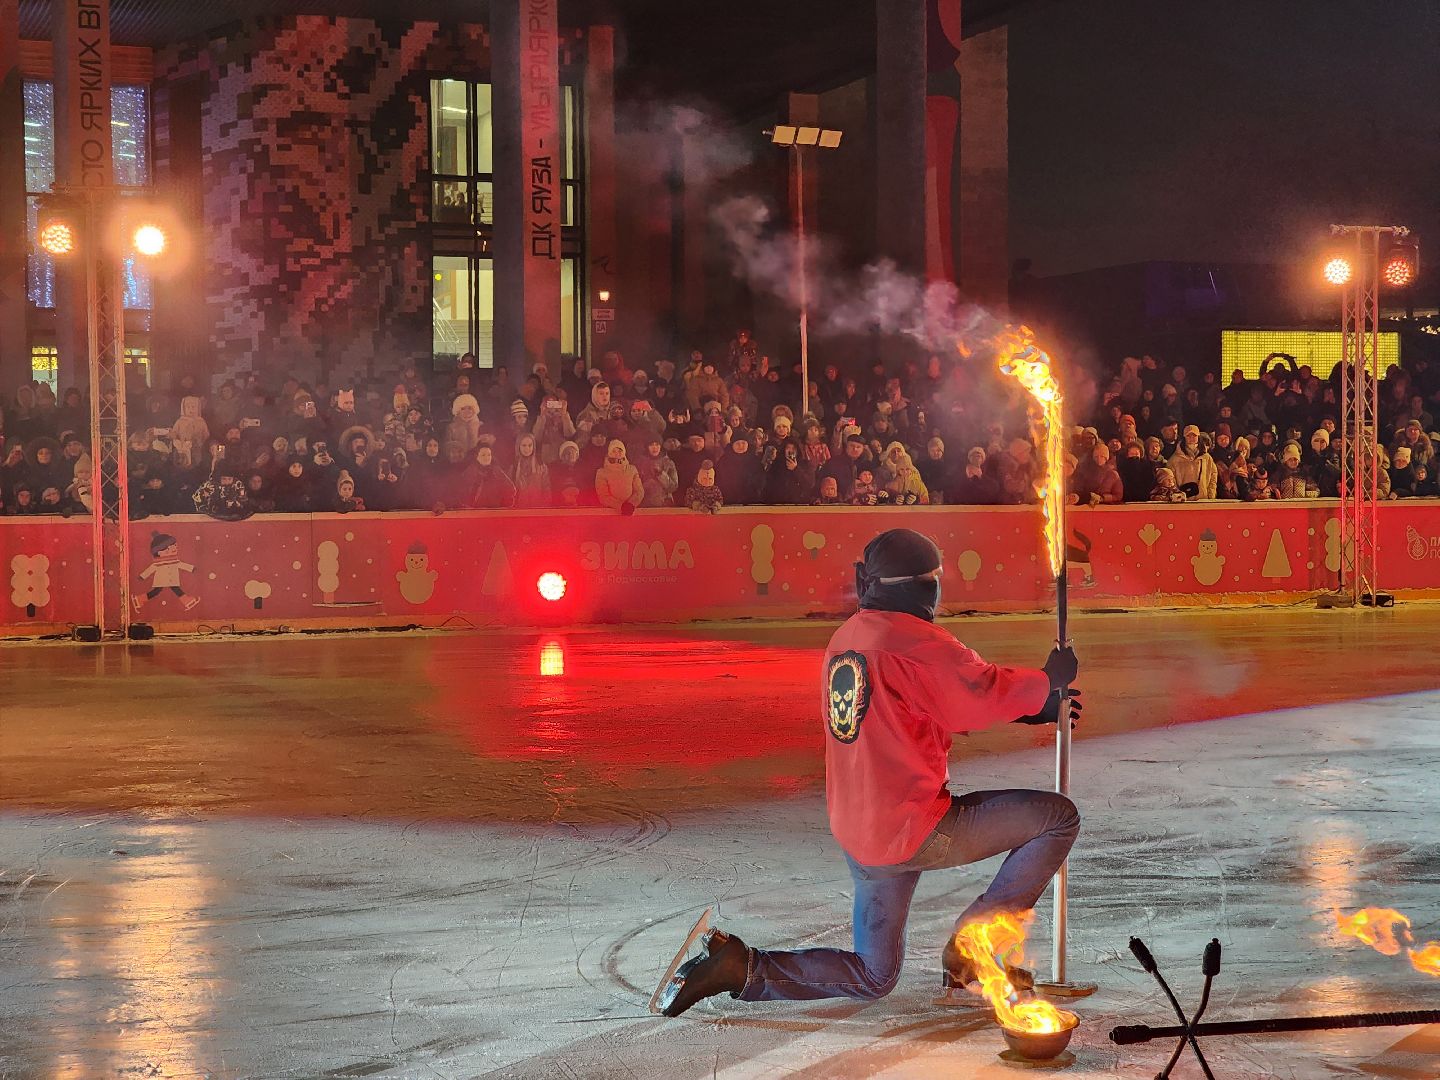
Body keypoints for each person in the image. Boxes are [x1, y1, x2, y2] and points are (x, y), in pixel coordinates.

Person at [654, 529, 1080, 1017]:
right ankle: (970, 952)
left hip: (861, 831)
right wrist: (1049, 681)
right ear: (921, 586)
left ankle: (741, 967)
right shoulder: (912, 642)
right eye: (936, 581)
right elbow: (977, 692)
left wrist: (1036, 709)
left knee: (875, 975)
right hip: (913, 826)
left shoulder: (850, 637)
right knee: (1057, 818)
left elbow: (916, 708)